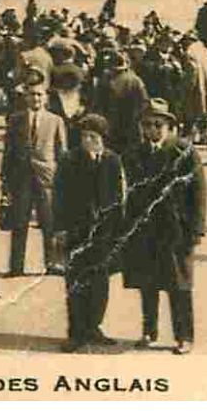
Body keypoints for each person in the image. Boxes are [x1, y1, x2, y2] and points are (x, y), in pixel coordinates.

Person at [120, 99, 206, 355]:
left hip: (176, 230)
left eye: (158, 124)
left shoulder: (184, 151)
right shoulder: (134, 153)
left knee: (179, 285)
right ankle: (149, 331)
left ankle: (184, 336)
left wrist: (196, 228)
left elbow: (199, 192)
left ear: (169, 126)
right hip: (145, 230)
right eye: (147, 125)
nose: (152, 130)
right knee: (147, 283)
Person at [54, 114, 124, 352]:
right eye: (84, 136)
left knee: (100, 283)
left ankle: (94, 327)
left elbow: (118, 197)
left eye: (93, 137)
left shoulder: (112, 161)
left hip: (103, 233)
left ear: (103, 139)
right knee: (75, 281)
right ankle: (76, 332)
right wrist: (60, 229)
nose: (87, 141)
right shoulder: (69, 161)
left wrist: (116, 230)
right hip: (76, 231)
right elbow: (59, 197)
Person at [0, 80, 68, 277]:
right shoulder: (15, 120)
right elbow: (8, 152)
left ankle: (52, 263)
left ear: (46, 97)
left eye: (39, 94)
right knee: (19, 222)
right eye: (31, 94)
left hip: (47, 178)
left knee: (49, 222)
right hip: (21, 178)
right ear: (25, 97)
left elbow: (61, 152)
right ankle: (16, 266)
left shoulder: (55, 121)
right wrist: (4, 180)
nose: (35, 98)